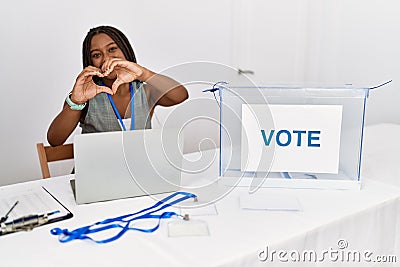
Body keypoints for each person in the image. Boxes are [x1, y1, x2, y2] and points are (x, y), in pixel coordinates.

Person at [47, 25, 188, 146]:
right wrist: (76, 102)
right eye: (96, 55)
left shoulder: (145, 91)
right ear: (91, 62)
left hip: (137, 173)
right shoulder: (85, 97)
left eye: (112, 49)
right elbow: (55, 140)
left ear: (125, 50)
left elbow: (181, 95)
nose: (107, 58)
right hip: (97, 174)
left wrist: (143, 73)